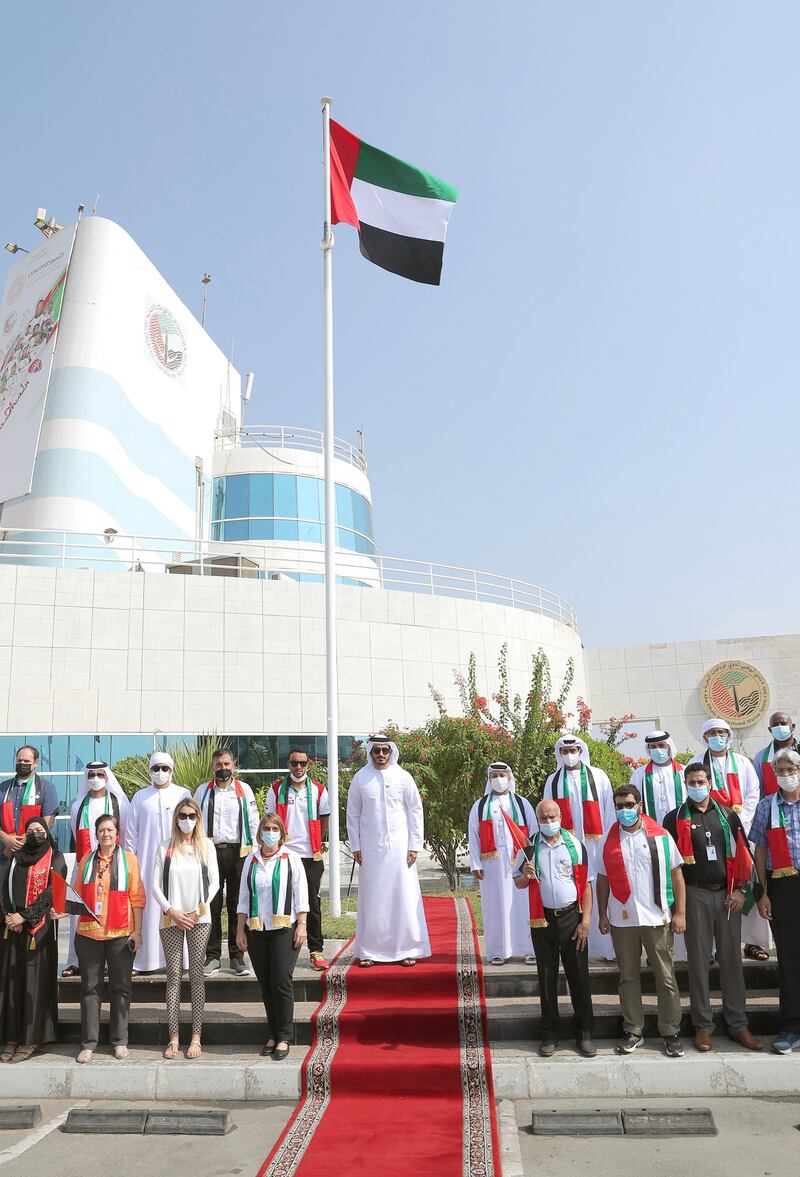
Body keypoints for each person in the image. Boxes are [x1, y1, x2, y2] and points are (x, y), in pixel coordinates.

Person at [663, 764, 762, 1053]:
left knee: (732, 961)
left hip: (728, 896)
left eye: (701, 781)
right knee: (698, 963)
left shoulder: (729, 815)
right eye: (692, 781)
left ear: (710, 782)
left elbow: (744, 853)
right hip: (694, 895)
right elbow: (670, 865)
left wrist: (742, 890)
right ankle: (703, 1026)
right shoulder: (674, 819)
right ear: (685, 783)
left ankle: (738, 1023)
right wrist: (675, 906)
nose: (697, 785)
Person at [596, 784, 686, 1057]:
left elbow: (677, 875)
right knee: (628, 977)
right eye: (619, 806)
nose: (624, 811)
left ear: (639, 806)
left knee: (666, 976)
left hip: (656, 916)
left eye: (629, 805)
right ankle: (634, 1030)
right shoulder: (606, 840)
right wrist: (602, 914)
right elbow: (601, 880)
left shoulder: (661, 836)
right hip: (623, 919)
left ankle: (670, 1031)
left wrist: (679, 912)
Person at [513, 798, 595, 1057]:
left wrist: (586, 921)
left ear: (560, 817)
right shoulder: (528, 848)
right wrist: (525, 875)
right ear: (537, 820)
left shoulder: (574, 846)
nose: (549, 823)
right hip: (543, 920)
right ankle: (549, 1034)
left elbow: (587, 885)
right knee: (547, 977)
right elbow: (519, 883)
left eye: (553, 817)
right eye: (544, 818)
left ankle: (584, 1034)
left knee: (579, 977)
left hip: (572, 917)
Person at [346, 734, 430, 967]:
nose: (381, 754)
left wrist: (415, 845)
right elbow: (352, 814)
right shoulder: (360, 778)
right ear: (370, 752)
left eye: (385, 750)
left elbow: (415, 810)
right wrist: (356, 845)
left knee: (402, 896)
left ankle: (407, 948)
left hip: (400, 849)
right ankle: (369, 950)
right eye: (376, 751)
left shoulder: (403, 777)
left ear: (391, 751)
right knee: (373, 899)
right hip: (371, 850)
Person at [689, 718, 768, 963]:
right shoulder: (695, 765)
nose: (717, 736)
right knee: (717, 885)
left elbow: (754, 794)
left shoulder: (742, 763)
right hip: (709, 833)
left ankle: (753, 943)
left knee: (747, 882)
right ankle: (712, 947)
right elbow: (690, 794)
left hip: (741, 830)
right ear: (704, 737)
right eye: (712, 732)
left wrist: (740, 821)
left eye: (721, 732)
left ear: (729, 735)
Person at [70, 814, 145, 1063]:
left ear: (117, 833)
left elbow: (137, 898)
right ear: (96, 834)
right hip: (89, 934)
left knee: (121, 987)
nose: (106, 834)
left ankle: (119, 1040)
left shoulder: (129, 861)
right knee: (89, 989)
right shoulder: (85, 861)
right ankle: (89, 1043)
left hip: (121, 934)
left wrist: (138, 932)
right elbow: (77, 897)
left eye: (110, 830)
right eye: (101, 830)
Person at [236, 813, 309, 1059]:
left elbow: (301, 894)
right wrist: (239, 931)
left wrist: (302, 925)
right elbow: (243, 898)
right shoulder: (251, 860)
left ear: (281, 832)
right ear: (260, 833)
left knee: (281, 981)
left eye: (274, 828)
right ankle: (272, 1032)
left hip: (284, 929)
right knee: (266, 985)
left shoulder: (292, 858)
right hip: (257, 930)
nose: (270, 832)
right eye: (266, 828)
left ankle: (285, 1035)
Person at [151, 797, 219, 1060]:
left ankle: (196, 1037)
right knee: (173, 975)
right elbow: (155, 885)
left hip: (199, 917)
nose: (186, 820)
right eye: (182, 815)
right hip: (171, 917)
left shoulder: (206, 847)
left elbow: (214, 883)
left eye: (191, 815)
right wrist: (172, 910)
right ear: (176, 818)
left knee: (197, 976)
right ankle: (173, 1038)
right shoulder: (165, 846)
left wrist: (196, 910)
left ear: (198, 818)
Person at [543, 735, 616, 959]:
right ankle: (576, 944)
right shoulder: (553, 781)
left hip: (596, 844)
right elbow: (547, 812)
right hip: (567, 846)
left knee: (600, 888)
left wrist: (610, 843)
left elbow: (609, 811)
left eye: (572, 750)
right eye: (564, 752)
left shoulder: (599, 776)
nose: (569, 755)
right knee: (572, 891)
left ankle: (605, 948)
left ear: (581, 750)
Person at [0, 817, 66, 1062]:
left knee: (33, 986)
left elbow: (51, 892)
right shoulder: (15, 858)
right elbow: (2, 886)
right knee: (12, 985)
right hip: (12, 932)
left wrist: (25, 917)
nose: (35, 833)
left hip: (39, 933)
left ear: (47, 833)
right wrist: (8, 916)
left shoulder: (55, 858)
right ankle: (11, 1038)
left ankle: (30, 1039)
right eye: (30, 831)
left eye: (39, 830)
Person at [751, 748, 800, 1054]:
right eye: (780, 771)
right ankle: (792, 1024)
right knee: (790, 959)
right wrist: (762, 892)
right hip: (783, 886)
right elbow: (759, 851)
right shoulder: (767, 806)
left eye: (790, 769)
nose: (786, 775)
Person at [62, 762, 131, 978]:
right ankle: (76, 962)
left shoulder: (119, 803)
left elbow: (126, 834)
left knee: (111, 912)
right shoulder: (77, 806)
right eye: (90, 774)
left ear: (107, 777)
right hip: (85, 866)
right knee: (77, 916)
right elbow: (76, 833)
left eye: (99, 774)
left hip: (113, 867)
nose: (95, 777)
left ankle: (110, 961)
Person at [195, 748, 259, 977]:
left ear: (234, 765)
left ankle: (237, 956)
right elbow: (195, 822)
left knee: (236, 904)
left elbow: (253, 822)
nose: (223, 769)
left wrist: (255, 855)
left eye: (226, 764)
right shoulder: (202, 791)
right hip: (210, 852)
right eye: (219, 765)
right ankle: (212, 957)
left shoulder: (244, 791)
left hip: (238, 853)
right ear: (213, 767)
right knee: (211, 905)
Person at [124, 752, 190, 972]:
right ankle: (147, 960)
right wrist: (130, 862)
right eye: (155, 769)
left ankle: (179, 960)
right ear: (150, 771)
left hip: (178, 859)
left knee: (177, 903)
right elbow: (131, 834)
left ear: (171, 770)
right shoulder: (140, 797)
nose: (160, 773)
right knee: (150, 909)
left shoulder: (183, 793)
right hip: (146, 862)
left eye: (164, 768)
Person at [266, 749, 331, 972]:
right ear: (288, 764)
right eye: (294, 763)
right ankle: (283, 951)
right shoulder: (276, 790)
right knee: (282, 901)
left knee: (312, 903)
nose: (298, 767)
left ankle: (316, 951)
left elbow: (325, 818)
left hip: (310, 856)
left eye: (303, 763)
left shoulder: (318, 790)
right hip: (284, 854)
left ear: (308, 764)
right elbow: (270, 820)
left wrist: (315, 842)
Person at [468, 762, 537, 965]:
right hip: (491, 866)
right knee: (494, 907)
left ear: (510, 777)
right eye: (495, 775)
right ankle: (497, 950)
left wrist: (532, 861)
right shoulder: (480, 805)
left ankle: (528, 949)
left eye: (502, 775)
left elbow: (532, 833)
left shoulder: (522, 803)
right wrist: (475, 863)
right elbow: (473, 835)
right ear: (489, 779)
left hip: (520, 864)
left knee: (523, 905)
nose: (499, 779)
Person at [1, 746, 59, 859]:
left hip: (33, 854)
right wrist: (5, 839)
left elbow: (47, 822)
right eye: (19, 760)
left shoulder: (46, 787)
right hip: (4, 853)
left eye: (26, 761)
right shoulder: (3, 788)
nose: (22, 763)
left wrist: (20, 842)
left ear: (36, 763)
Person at [631, 731, 686, 823]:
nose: (657, 749)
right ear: (648, 749)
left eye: (661, 745)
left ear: (669, 746)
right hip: (651, 826)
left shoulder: (683, 771)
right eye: (653, 747)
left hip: (680, 824)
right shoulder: (639, 774)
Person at [753, 711, 798, 798]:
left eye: (783, 723)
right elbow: (758, 787)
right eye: (775, 725)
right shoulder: (761, 757)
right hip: (774, 807)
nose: (779, 727)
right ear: (770, 730)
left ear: (792, 727)